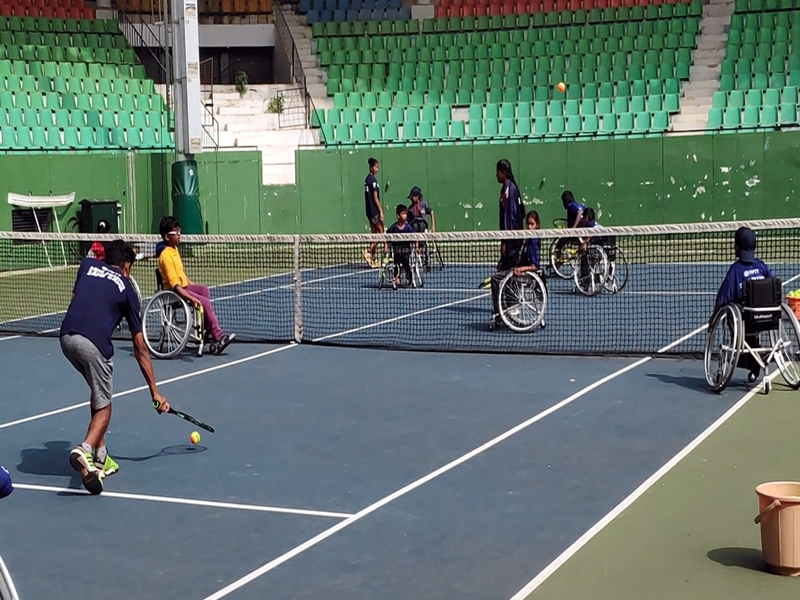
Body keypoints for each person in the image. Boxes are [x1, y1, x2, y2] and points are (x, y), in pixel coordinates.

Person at [61, 240, 170, 495]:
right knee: (105, 405)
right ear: (127, 266)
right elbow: (140, 346)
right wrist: (155, 391)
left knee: (98, 393)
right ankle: (86, 449)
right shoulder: (128, 290)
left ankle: (101, 455)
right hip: (93, 343)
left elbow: (76, 299)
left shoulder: (87, 265)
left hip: (66, 338)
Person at [156, 216, 235, 354]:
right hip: (174, 294)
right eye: (176, 232)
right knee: (203, 302)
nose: (179, 234)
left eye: (179, 230)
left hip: (183, 287)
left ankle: (205, 330)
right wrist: (192, 298)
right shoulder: (165, 256)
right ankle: (218, 336)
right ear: (167, 237)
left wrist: (193, 285)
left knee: (203, 290)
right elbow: (174, 285)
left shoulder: (174, 249)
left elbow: (181, 275)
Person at [712, 227, 774, 378]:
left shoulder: (735, 270)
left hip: (743, 320)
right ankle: (755, 360)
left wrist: (714, 318)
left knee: (733, 312)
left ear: (737, 247)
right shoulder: (761, 267)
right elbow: (773, 285)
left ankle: (747, 359)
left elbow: (722, 298)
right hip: (766, 319)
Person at [490, 210, 543, 330]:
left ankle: (499, 313)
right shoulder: (527, 239)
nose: (529, 227)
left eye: (532, 224)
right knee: (502, 275)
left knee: (495, 279)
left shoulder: (533, 241)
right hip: (520, 272)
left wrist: (521, 269)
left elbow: (535, 266)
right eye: (528, 224)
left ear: (537, 225)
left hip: (526, 275)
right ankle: (507, 308)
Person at [497, 159, 525, 271]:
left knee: (506, 272)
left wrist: (506, 241)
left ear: (503, 173)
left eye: (498, 172)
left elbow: (510, 218)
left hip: (512, 242)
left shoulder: (510, 190)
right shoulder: (507, 189)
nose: (496, 175)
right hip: (512, 240)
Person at [386, 204, 415, 287]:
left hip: (406, 251)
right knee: (396, 264)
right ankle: (397, 277)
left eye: (406, 214)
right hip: (396, 251)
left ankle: (408, 277)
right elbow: (386, 237)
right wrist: (385, 246)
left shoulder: (408, 227)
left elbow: (416, 237)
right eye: (403, 214)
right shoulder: (394, 227)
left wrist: (416, 246)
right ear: (398, 216)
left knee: (406, 263)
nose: (405, 216)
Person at [363, 157, 384, 268]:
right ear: (371, 168)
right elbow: (375, 198)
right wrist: (380, 211)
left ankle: (373, 258)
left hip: (369, 211)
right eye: (376, 167)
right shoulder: (373, 181)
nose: (377, 169)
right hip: (374, 211)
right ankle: (369, 250)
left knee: (374, 234)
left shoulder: (367, 180)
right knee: (381, 234)